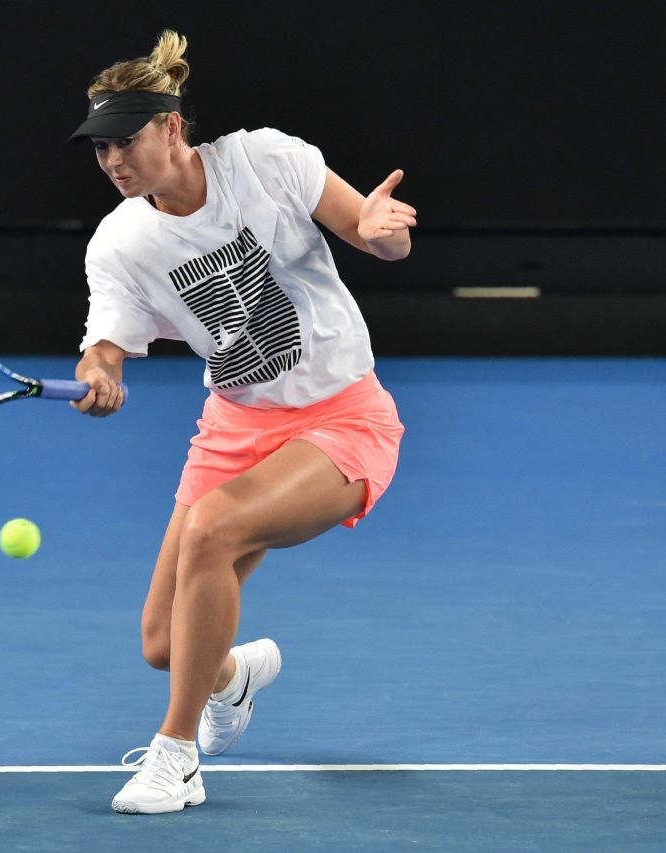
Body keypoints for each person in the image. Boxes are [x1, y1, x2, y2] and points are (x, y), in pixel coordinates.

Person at [67, 30, 414, 814]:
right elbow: (107, 347)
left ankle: (176, 755)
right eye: (100, 149)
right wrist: (99, 377)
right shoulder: (121, 242)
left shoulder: (264, 161)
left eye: (127, 140)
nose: (114, 159)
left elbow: (365, 226)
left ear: (173, 128)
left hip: (341, 418)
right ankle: (232, 677)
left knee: (214, 528)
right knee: (166, 643)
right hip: (236, 425)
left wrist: (385, 237)